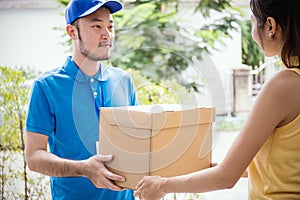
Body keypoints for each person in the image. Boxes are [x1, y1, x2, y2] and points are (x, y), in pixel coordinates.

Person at [134, 0, 300, 199]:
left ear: (271, 27)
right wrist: (229, 166)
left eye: (252, 22)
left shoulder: (283, 85)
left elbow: (224, 178)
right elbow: (287, 164)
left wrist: (162, 186)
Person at [25, 0, 138, 199]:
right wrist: (84, 168)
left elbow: (137, 142)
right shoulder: (47, 86)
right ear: (72, 32)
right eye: (96, 26)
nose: (107, 35)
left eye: (110, 26)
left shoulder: (124, 81)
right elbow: (34, 157)